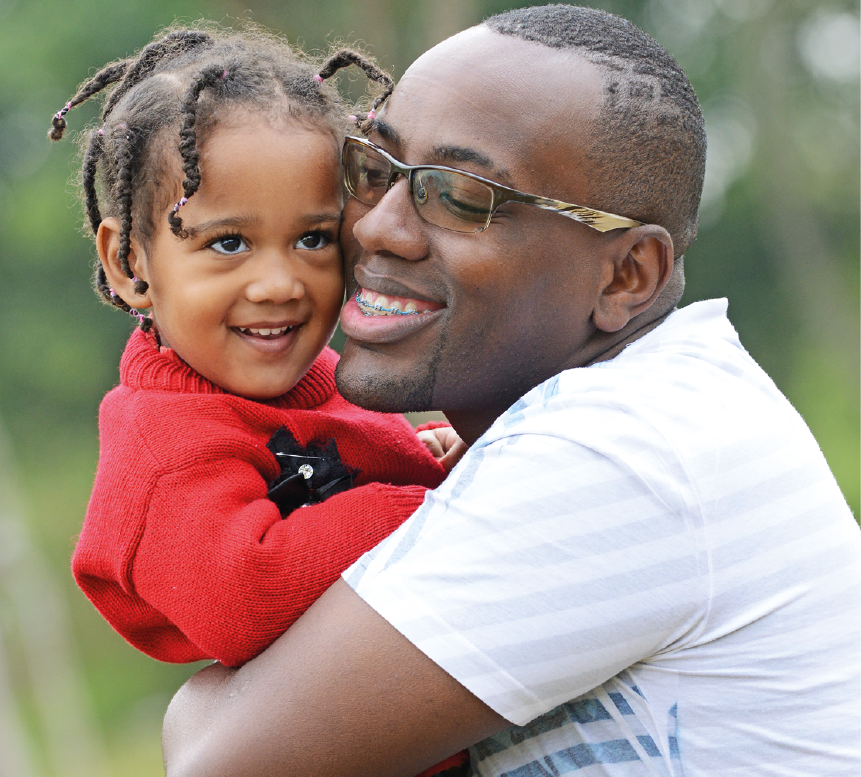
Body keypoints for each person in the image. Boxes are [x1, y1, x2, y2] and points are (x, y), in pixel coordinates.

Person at [162, 6, 861, 777]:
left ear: (626, 275)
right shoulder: (660, 405)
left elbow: (215, 759)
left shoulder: (619, 445)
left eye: (460, 195)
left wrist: (201, 700)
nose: (375, 228)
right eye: (372, 169)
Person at [51, 26, 471, 777]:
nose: (280, 282)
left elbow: (360, 472)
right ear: (128, 262)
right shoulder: (164, 445)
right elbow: (246, 590)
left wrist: (432, 457)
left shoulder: (321, 378)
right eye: (227, 244)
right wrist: (448, 503)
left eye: (313, 239)